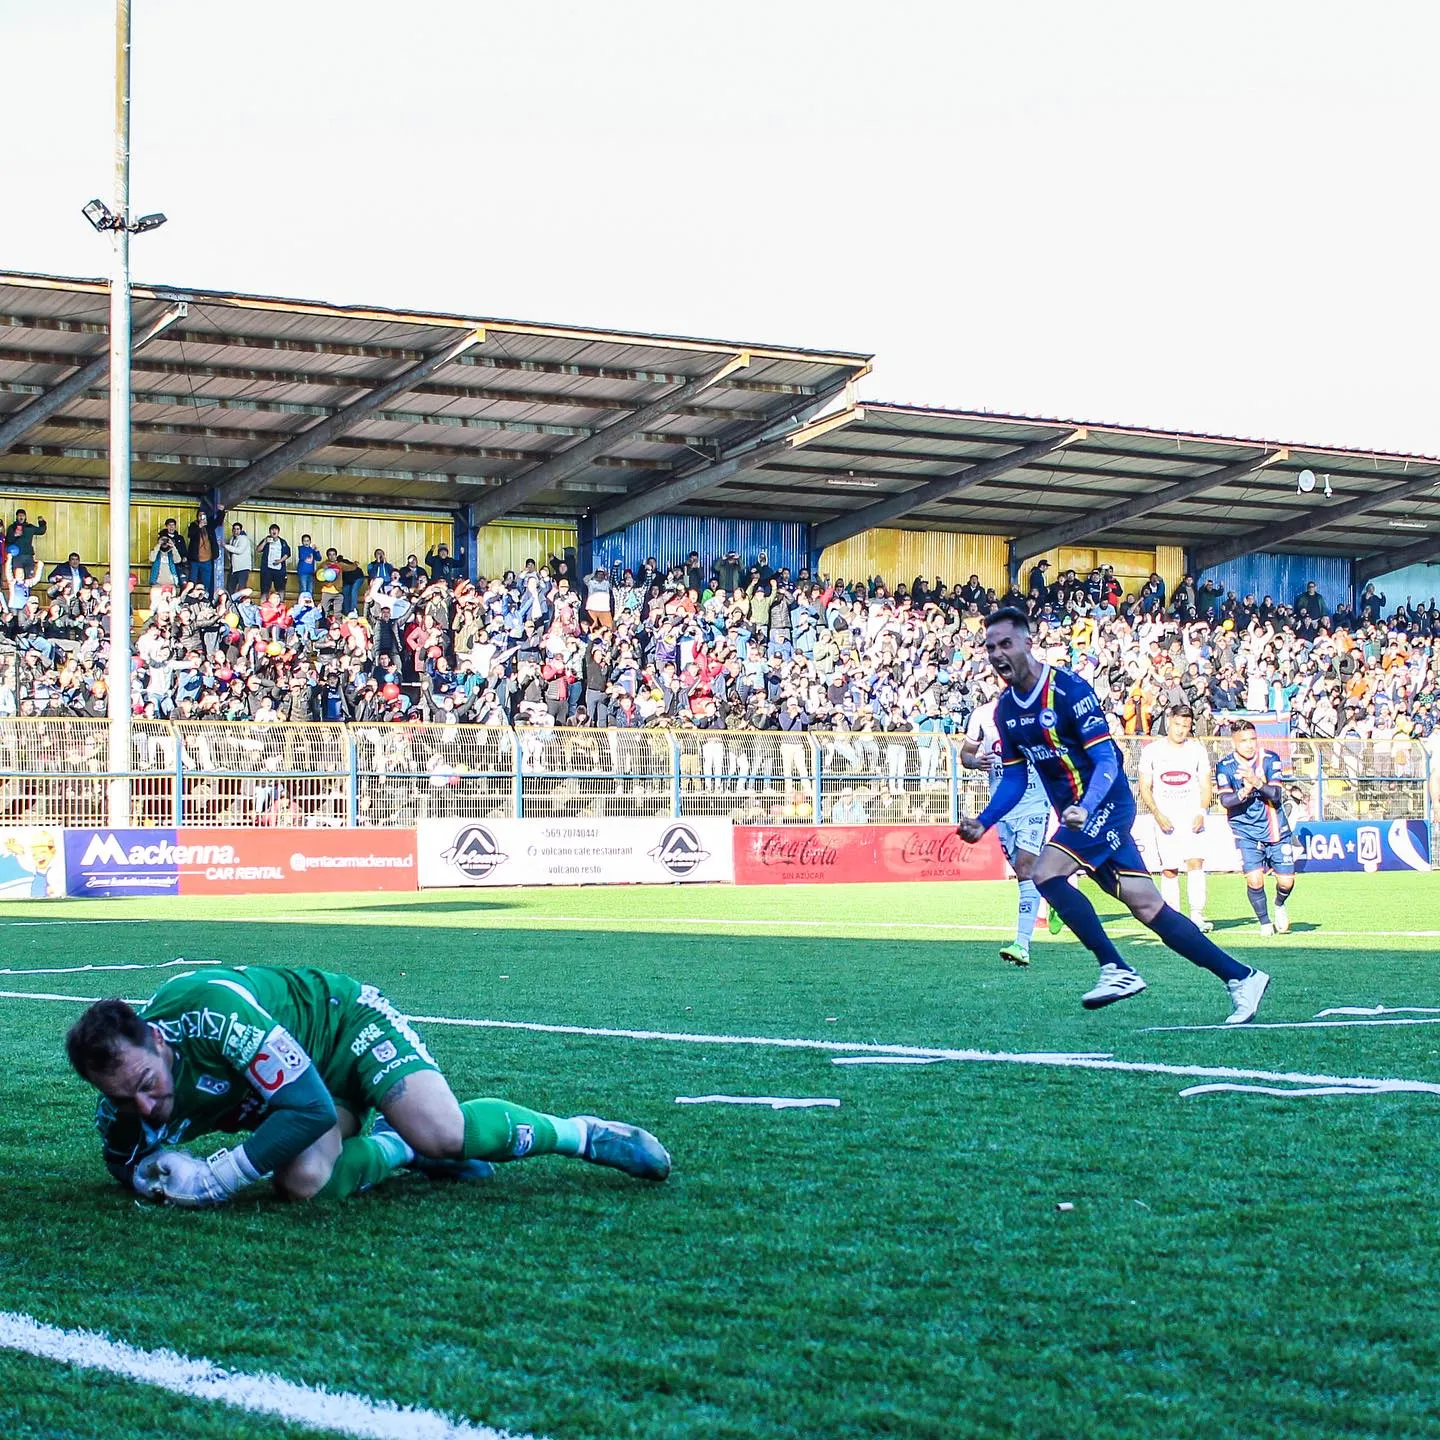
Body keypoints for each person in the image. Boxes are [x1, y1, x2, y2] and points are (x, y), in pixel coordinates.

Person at [65, 963, 670, 1208]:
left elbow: (304, 1106)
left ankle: (582, 1135)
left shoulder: (213, 1011)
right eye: (121, 1097)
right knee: (303, 1184)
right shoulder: (125, 1106)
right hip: (303, 1092)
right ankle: (401, 1153)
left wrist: (218, 1176)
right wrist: (152, 1172)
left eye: (146, 1082)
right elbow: (124, 1161)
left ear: (157, 1039)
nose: (143, 1104)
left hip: (340, 1029)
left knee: (443, 1131)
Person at [957, 608, 1268, 1022]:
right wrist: (985, 819)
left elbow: (1107, 758)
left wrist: (1086, 806)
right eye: (990, 647)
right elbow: (1013, 780)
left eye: (1005, 643)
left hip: (1105, 805)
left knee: (1045, 872)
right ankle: (1241, 977)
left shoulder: (1068, 691)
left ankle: (1116, 967)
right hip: (1079, 815)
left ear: (1028, 644)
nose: (997, 653)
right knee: (1148, 906)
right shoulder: (1005, 712)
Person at [961, 693, 1052, 966]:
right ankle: (1054, 891)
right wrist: (975, 762)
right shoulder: (981, 715)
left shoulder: (1037, 714)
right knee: (1022, 871)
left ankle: (1022, 944)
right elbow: (966, 753)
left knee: (1025, 867)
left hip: (1035, 801)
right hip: (1001, 803)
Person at [1137, 704, 1214, 931]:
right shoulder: (1152, 750)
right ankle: (1173, 919)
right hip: (1165, 817)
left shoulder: (1197, 749)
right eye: (1178, 724)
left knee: (1195, 861)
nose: (1181, 730)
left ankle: (1197, 916)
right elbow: (1145, 786)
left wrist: (1201, 811)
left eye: (1186, 726)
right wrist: (1157, 814)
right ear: (1169, 721)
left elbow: (1206, 784)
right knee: (1169, 868)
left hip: (1191, 815)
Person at [1215, 720, 1296, 936]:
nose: (1249, 745)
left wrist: (1257, 782)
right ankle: (1265, 922)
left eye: (1253, 739)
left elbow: (1277, 795)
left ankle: (1279, 904)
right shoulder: (1225, 765)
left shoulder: (1270, 759)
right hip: (1245, 830)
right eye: (1244, 741)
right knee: (1254, 878)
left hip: (1276, 829)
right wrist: (1244, 791)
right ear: (1234, 742)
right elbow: (1225, 800)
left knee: (1286, 882)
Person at [186, 509, 217, 593]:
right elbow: (190, 534)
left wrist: (221, 511)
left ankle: (205, 598)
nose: (201, 517)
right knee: (192, 581)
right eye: (200, 515)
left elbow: (218, 521)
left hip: (207, 559)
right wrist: (199, 526)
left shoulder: (209, 525)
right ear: (197, 517)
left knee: (206, 581)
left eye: (203, 515)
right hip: (195, 559)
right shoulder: (193, 525)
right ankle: (191, 598)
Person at [258, 524, 291, 597]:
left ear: (278, 532)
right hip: (267, 570)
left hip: (279, 570)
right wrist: (264, 542)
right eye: (272, 530)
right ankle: (264, 605)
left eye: (275, 529)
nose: (274, 531)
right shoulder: (266, 540)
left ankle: (281, 604)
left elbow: (287, 553)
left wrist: (280, 561)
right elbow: (258, 549)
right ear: (269, 532)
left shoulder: (282, 542)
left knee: (280, 589)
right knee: (264, 590)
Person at [224, 521, 254, 593]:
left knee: (241, 588)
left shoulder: (244, 539)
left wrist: (225, 545)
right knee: (230, 587)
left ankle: (241, 603)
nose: (236, 531)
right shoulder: (232, 539)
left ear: (241, 530)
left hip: (242, 568)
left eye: (238, 529)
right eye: (234, 529)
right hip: (234, 568)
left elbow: (239, 550)